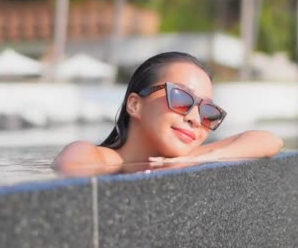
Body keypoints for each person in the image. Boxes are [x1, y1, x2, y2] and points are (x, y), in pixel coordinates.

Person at [52, 51, 283, 175]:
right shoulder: (92, 156)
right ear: (135, 105)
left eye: (207, 111)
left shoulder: (184, 157)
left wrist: (199, 159)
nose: (195, 119)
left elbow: (269, 140)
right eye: (181, 98)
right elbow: (71, 170)